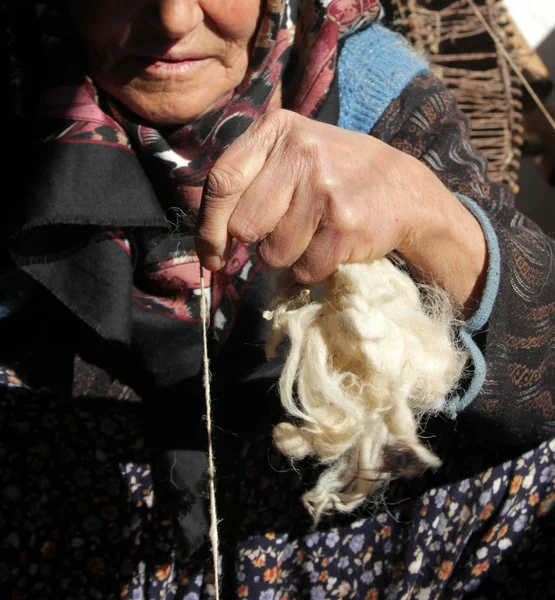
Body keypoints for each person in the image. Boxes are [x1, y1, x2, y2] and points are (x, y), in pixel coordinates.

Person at [2, 1, 554, 598]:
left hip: (321, 535)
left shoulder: (370, 86)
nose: (173, 19)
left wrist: (432, 220)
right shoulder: (20, 94)